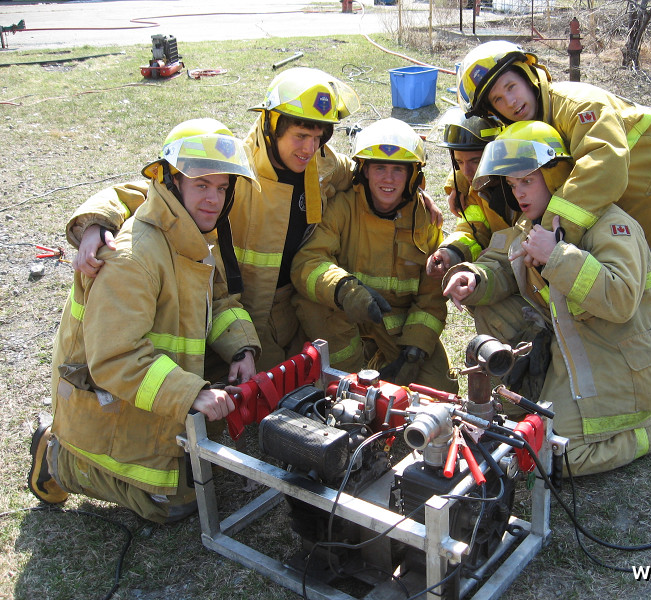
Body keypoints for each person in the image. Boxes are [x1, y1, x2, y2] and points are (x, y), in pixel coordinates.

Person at [455, 40, 651, 435]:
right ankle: (646, 400)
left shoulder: (578, 104)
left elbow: (605, 166)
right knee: (619, 304)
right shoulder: (526, 127)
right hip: (625, 217)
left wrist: (554, 234)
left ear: (528, 76)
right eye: (497, 98)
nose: (510, 101)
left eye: (511, 86)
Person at [68, 68, 442, 375]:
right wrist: (97, 222)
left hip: (292, 307)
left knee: (302, 390)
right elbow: (158, 188)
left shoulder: (324, 164)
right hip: (237, 307)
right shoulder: (235, 164)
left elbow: (371, 178)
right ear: (271, 126)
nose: (309, 149)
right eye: (300, 136)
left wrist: (416, 196)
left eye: (317, 137)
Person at [28, 119, 263, 522]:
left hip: (149, 392)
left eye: (222, 188)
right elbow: (115, 359)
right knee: (175, 507)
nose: (214, 199)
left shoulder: (192, 236)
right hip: (109, 401)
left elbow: (219, 298)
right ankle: (58, 456)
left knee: (198, 482)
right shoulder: (133, 257)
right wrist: (191, 394)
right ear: (172, 182)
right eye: (202, 185)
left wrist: (241, 347)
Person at [442, 121, 651, 476]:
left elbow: (621, 299)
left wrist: (557, 256)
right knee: (528, 438)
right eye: (513, 184)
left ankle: (648, 428)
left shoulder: (610, 224)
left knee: (547, 457)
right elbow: (503, 262)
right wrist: (474, 277)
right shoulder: (533, 223)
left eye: (527, 181)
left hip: (622, 366)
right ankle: (528, 404)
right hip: (576, 353)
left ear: (555, 177)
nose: (519, 194)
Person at [291, 118, 458, 393]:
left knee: (440, 392)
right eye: (379, 167)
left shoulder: (424, 219)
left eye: (398, 169)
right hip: (344, 317)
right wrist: (345, 290)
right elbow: (308, 262)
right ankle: (344, 381)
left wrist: (414, 350)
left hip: (399, 326)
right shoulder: (342, 207)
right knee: (316, 313)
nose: (388, 179)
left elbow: (431, 297)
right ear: (365, 170)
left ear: (413, 176)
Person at [425, 107, 521, 279]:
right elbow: (471, 230)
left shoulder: (526, 186)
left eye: (475, 161)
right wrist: (451, 252)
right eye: (459, 162)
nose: (466, 172)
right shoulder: (474, 190)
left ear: (497, 154)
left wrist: (499, 249)